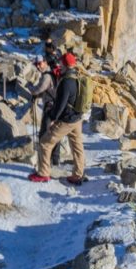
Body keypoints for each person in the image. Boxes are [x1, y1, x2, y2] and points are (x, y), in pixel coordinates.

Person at [28, 51, 89, 185]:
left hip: (67, 120)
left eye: (61, 63)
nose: (59, 65)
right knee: (77, 146)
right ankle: (78, 174)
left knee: (45, 142)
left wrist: (53, 117)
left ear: (66, 64)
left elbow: (60, 104)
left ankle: (43, 173)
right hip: (77, 118)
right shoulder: (76, 77)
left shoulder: (66, 82)